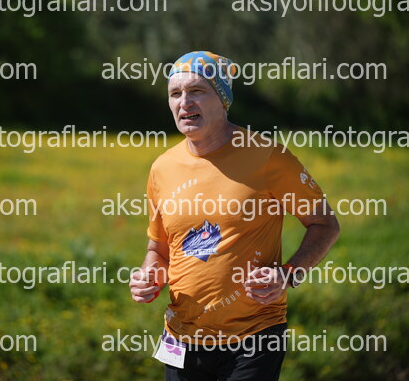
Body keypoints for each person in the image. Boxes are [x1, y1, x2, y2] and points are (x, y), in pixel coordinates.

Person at [129, 51, 340, 381]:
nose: (184, 102)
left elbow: (325, 224)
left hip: (254, 335)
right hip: (182, 337)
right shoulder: (162, 169)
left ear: (223, 98)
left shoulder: (269, 157)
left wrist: (288, 274)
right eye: (175, 93)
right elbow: (159, 249)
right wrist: (149, 274)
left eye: (197, 90)